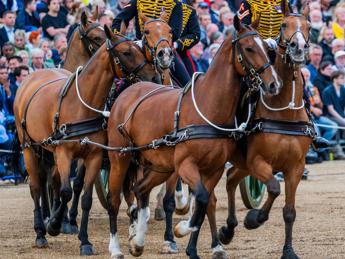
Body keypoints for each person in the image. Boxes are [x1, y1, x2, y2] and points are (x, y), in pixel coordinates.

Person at [112, 0, 191, 86]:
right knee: (121, 85)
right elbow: (119, 20)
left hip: (164, 49)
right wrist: (119, 41)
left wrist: (161, 41)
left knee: (187, 84)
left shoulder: (175, 3)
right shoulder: (138, 1)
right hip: (141, 48)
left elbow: (175, 32)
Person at [175, 0, 201, 76]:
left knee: (189, 83)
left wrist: (177, 44)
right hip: (154, 51)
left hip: (180, 53)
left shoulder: (189, 11)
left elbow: (195, 35)